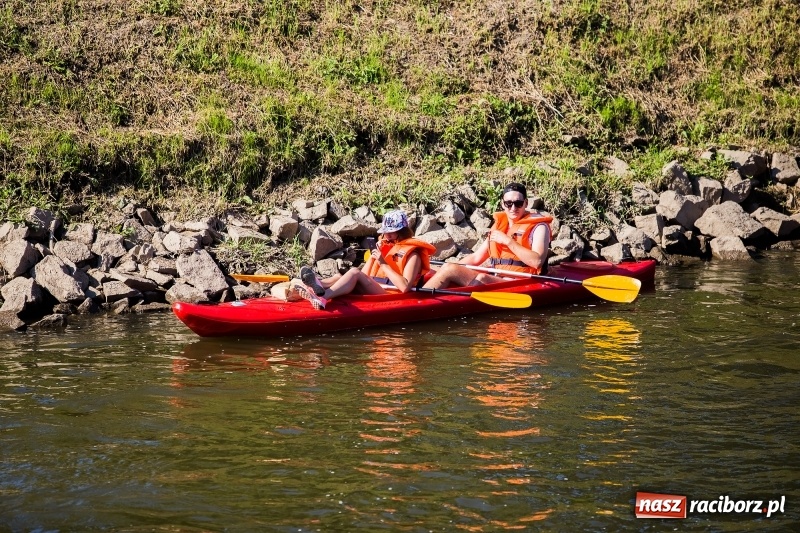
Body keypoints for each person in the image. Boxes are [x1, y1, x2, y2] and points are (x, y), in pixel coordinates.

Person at [289, 210, 436, 309]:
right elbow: (366, 275)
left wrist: (383, 263)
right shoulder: (386, 246)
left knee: (354, 273)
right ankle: (318, 284)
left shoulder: (413, 255)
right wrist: (374, 259)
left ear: (402, 231)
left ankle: (323, 297)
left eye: (391, 233)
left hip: (392, 295)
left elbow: (404, 287)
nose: (386, 236)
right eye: (385, 232)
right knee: (339, 276)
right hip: (379, 287)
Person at [422, 182, 552, 290]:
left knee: (480, 278)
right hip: (498, 278)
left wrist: (508, 241)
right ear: (502, 204)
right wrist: (447, 269)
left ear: (526, 203)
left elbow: (537, 261)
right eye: (508, 203)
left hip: (521, 283)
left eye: (518, 203)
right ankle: (420, 295)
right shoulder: (500, 226)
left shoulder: (539, 227)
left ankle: (421, 302)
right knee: (446, 268)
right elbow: (476, 257)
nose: (513, 208)